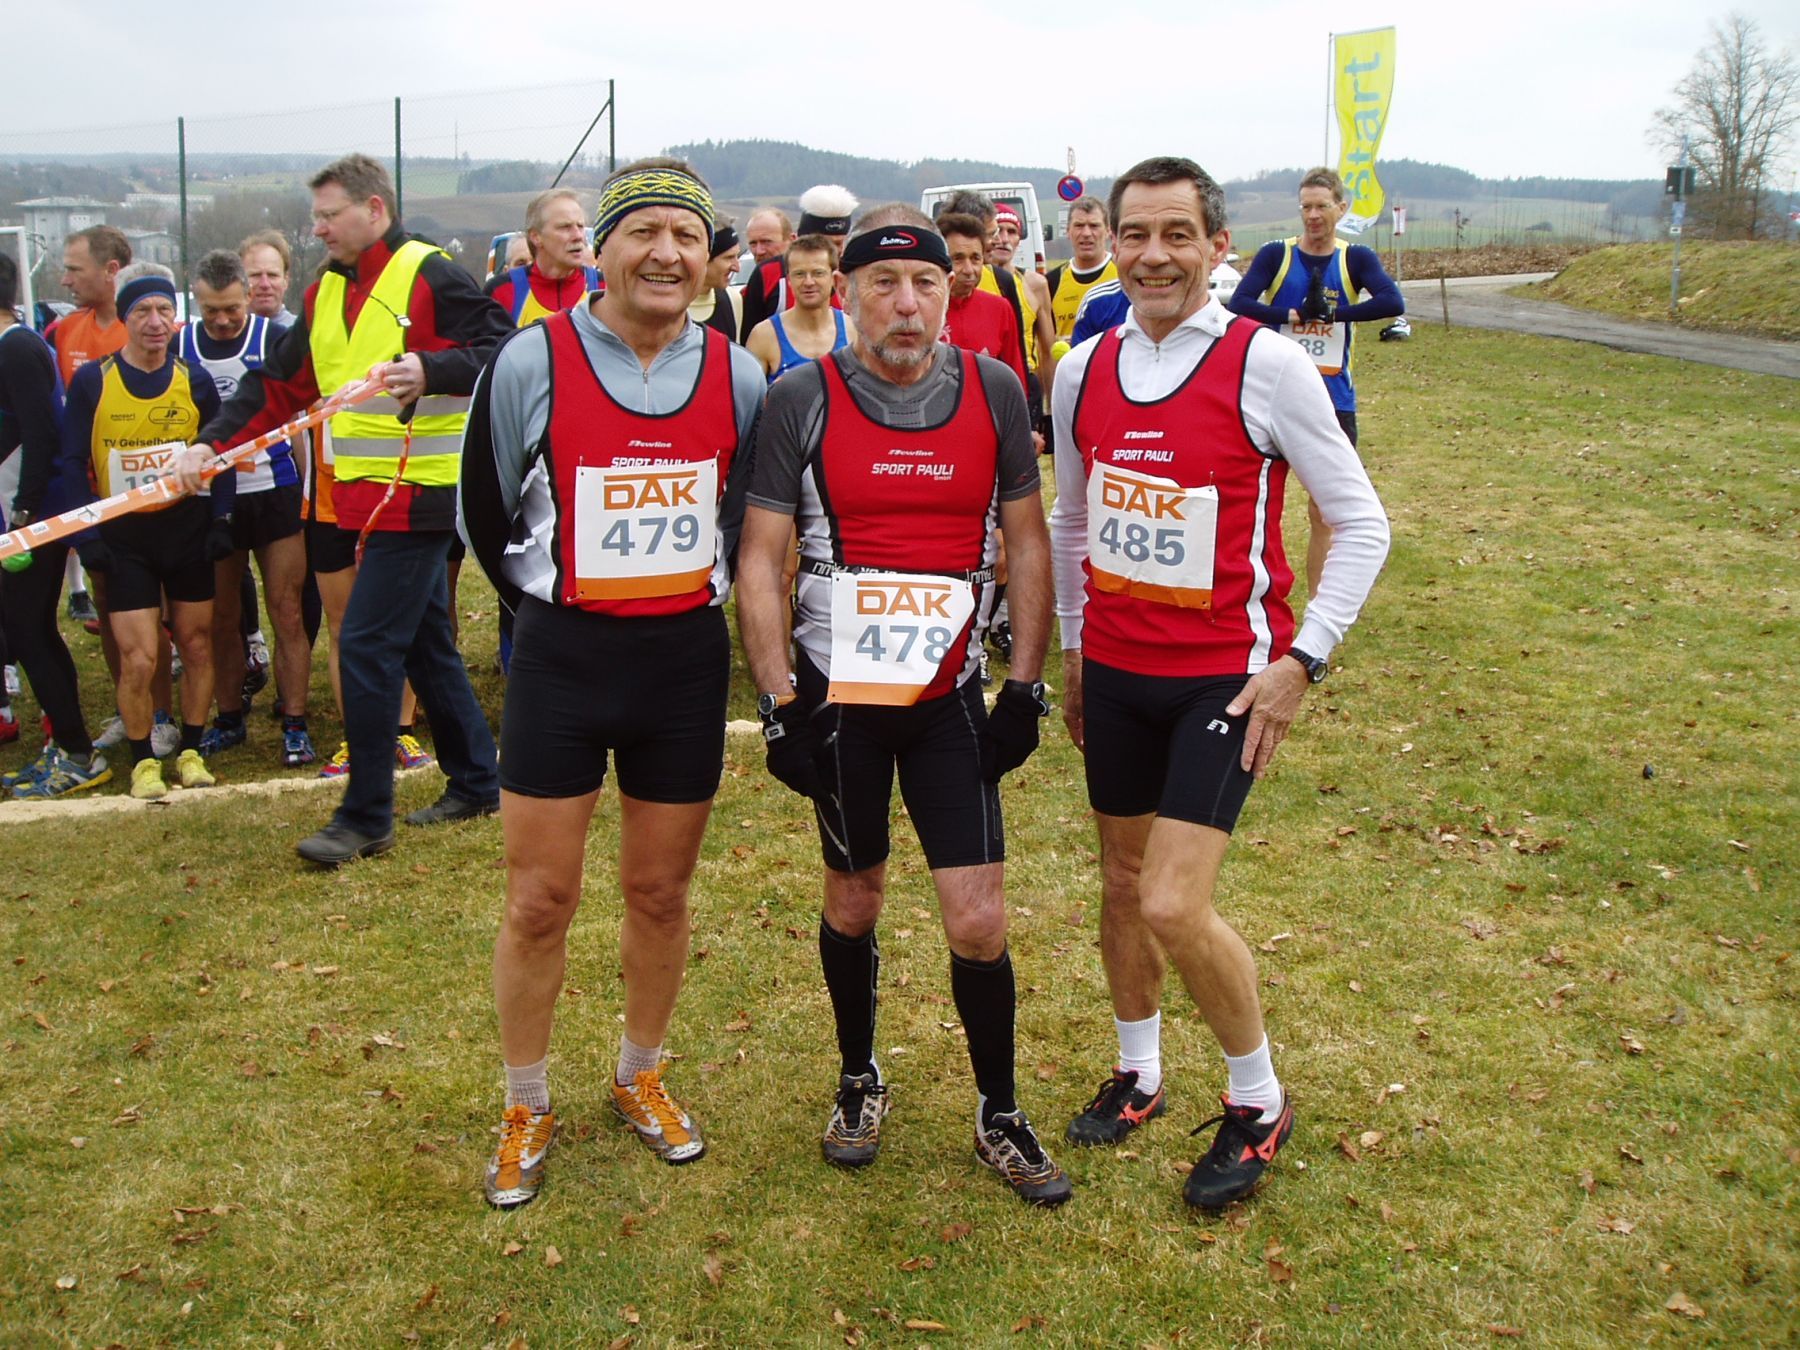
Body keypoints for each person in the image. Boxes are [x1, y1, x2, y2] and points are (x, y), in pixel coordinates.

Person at [1048, 156, 1390, 1210]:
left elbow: (1362, 522)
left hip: (1222, 680)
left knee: (1171, 899)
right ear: (1112, 239)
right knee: (1121, 882)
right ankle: (1140, 1071)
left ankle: (1258, 1100)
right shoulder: (1081, 369)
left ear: (1216, 246)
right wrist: (1074, 652)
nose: (1153, 255)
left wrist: (1302, 662)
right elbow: (1072, 519)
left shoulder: (1267, 364)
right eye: (1136, 233)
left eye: (1177, 235)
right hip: (1117, 668)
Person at [736, 205, 1071, 1207]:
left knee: (978, 915)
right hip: (839, 703)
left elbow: (1027, 542)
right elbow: (758, 558)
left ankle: (999, 1110)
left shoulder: (995, 388)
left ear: (949, 291)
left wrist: (1025, 689)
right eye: (883, 284)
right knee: (855, 897)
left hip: (949, 701)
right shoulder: (801, 396)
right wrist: (779, 705)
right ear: (847, 294)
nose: (907, 303)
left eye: (924, 282)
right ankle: (858, 1078)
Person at [460, 157, 765, 1209]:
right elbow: (484, 512)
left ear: (708, 258)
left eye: (687, 237)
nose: (666, 255)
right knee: (539, 897)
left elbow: (744, 520)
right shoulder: (530, 359)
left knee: (660, 892)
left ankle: (641, 1073)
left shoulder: (738, 374)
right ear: (602, 249)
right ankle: (524, 1099)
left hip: (681, 661)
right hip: (564, 655)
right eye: (644, 233)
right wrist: (543, 611)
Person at [177, 152, 509, 864]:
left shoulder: (429, 271)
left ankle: (364, 816)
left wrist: (434, 368)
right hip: (360, 499)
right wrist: (211, 444)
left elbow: (506, 348)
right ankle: (479, 782)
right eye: (316, 216)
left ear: (374, 210)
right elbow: (277, 387)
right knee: (423, 643)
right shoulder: (325, 291)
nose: (319, 228)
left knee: (363, 643)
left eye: (330, 215)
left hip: (420, 493)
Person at [65, 263, 230, 800]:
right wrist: (87, 536)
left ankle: (192, 750)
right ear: (125, 319)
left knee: (197, 644)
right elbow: (71, 464)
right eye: (142, 311)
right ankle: (142, 760)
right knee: (140, 657)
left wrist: (221, 518)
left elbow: (220, 449)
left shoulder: (193, 379)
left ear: (176, 318)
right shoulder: (94, 381)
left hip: (186, 531)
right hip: (124, 537)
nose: (155, 322)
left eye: (164, 310)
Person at [1226, 167, 1403, 594]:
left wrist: (1334, 314)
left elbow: (1392, 301)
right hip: (1271, 397)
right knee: (1247, 502)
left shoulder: (1355, 258)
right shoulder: (1277, 254)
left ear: (1341, 208)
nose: (1313, 215)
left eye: (1321, 206)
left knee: (1325, 512)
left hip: (1332, 398)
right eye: (1305, 207)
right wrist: (1291, 316)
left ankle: (1320, 609)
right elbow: (1240, 302)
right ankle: (1246, 592)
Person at [178, 249, 314, 768]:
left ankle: (295, 723)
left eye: (231, 308)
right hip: (212, 499)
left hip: (273, 490)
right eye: (211, 309)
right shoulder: (183, 345)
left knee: (287, 610)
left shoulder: (272, 338)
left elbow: (298, 417)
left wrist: (306, 488)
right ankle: (230, 717)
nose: (222, 320)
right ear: (197, 300)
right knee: (222, 616)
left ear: (246, 296)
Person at [0, 252, 108, 798]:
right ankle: (68, 746)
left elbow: (42, 433)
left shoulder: (16, 347)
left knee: (26, 627)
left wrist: (23, 515)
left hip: (33, 516)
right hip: (20, 511)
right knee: (31, 627)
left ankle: (77, 752)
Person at [48, 227, 134, 638]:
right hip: (90, 487)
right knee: (107, 592)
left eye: (74, 270)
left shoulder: (148, 326)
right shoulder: (66, 329)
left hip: (142, 485)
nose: (66, 280)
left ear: (111, 270)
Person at [737, 186, 855, 343]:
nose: (833, 251)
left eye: (838, 243)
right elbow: (748, 339)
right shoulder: (769, 273)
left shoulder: (854, 274)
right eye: (824, 244)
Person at [484, 189, 601, 327]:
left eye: (580, 226)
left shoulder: (605, 287)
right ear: (536, 237)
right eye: (565, 227)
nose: (578, 236)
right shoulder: (501, 291)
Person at [745, 234, 851, 381]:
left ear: (833, 279)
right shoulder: (764, 336)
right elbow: (750, 394)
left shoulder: (853, 331)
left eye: (818, 273)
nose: (808, 282)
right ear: (789, 280)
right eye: (800, 274)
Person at [938, 213, 1027, 390]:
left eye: (975, 259)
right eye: (958, 259)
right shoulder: (922, 310)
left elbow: (1016, 381)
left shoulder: (1000, 309)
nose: (969, 270)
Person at [1047, 196, 1116, 340]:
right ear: (1068, 231)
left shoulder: (1123, 274)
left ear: (1108, 231)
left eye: (1094, 226)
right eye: (1079, 226)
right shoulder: (1052, 282)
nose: (1086, 233)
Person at [686, 223, 742, 340]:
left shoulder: (733, 299)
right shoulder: (668, 304)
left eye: (737, 256)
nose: (737, 268)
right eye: (729, 257)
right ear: (704, 259)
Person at [240, 230, 298, 328]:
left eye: (272, 275)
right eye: (256, 275)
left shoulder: (305, 332)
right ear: (240, 281)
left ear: (286, 281)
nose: (265, 284)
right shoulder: (224, 332)